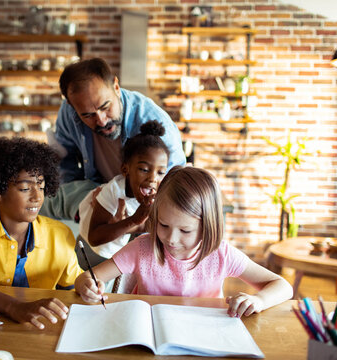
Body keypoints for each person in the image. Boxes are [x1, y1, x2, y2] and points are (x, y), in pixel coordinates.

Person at [75, 166, 293, 318]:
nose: (171, 238)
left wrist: (259, 301)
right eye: (163, 225)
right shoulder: (142, 248)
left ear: (208, 226)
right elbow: (86, 278)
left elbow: (282, 286)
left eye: (186, 230)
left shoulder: (222, 255)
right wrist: (88, 286)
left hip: (202, 335)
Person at [0, 137, 84, 330]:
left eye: (41, 186)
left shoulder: (60, 234)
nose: (37, 197)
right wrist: (13, 306)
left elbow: (72, 289)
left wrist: (86, 285)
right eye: (24, 188)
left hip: (42, 329)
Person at [41, 57, 185, 221]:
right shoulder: (68, 112)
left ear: (116, 87)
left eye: (105, 107)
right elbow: (64, 160)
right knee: (45, 199)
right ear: (72, 105)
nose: (101, 120)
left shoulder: (155, 123)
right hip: (95, 190)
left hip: (143, 202)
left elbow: (174, 185)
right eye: (88, 115)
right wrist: (82, 201)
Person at [78, 120, 169, 259]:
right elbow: (94, 237)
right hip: (90, 249)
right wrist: (134, 221)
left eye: (161, 172)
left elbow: (148, 227)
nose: (153, 179)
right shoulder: (114, 191)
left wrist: (138, 224)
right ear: (125, 169)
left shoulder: (157, 197)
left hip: (115, 253)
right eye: (144, 170)